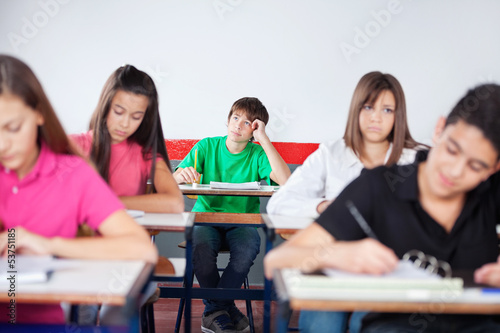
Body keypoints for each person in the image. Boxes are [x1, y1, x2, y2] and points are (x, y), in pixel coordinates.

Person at [264, 83, 500, 333]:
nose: (455, 171)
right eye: (452, 150)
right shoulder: (378, 186)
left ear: (495, 168)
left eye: (476, 166)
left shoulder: (489, 190)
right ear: (439, 130)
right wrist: (339, 254)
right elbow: (277, 259)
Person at [0, 55, 158, 324]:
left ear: (39, 113)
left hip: (37, 322)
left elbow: (143, 248)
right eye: (119, 111)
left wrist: (48, 245)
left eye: (13, 128)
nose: (3, 144)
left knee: (111, 316)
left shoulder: (73, 173)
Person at [267, 71, 425, 333]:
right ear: (356, 109)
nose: (376, 117)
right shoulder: (331, 153)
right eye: (368, 107)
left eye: (387, 110)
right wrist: (322, 206)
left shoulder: (415, 158)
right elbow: (278, 203)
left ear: (399, 116)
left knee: (369, 324)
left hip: (392, 268)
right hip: (332, 263)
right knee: (322, 325)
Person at [174, 97, 291, 333]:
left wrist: (264, 139)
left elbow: (286, 180)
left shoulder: (257, 153)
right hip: (205, 218)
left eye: (247, 123)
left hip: (242, 222)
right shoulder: (206, 146)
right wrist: (181, 174)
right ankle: (224, 309)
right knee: (201, 247)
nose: (238, 125)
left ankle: (214, 311)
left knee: (249, 247)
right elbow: (173, 178)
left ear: (255, 130)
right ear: (228, 120)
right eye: (236, 118)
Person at [71, 65, 183, 213]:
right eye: (118, 112)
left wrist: (106, 201)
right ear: (105, 105)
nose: (125, 124)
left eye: (136, 117)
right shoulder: (75, 144)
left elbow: (175, 203)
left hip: (127, 235)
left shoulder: (146, 154)